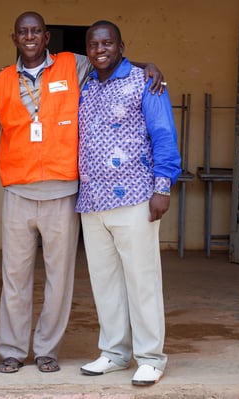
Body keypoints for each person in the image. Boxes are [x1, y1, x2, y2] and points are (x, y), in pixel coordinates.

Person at [0, 11, 166, 374]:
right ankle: (13, 351)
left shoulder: (73, 65)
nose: (30, 37)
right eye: (23, 32)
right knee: (14, 278)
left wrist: (149, 66)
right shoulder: (0, 81)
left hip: (63, 191)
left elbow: (110, 61)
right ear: (14, 37)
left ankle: (47, 349)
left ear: (47, 36)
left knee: (59, 278)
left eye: (36, 31)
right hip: (18, 192)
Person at [76, 20, 181, 386]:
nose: (100, 49)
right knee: (105, 282)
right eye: (93, 44)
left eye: (107, 43)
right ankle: (115, 353)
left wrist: (163, 188)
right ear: (87, 49)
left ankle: (151, 356)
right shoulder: (86, 85)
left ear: (122, 45)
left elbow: (163, 134)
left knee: (142, 279)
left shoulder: (145, 81)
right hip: (91, 200)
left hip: (136, 196)